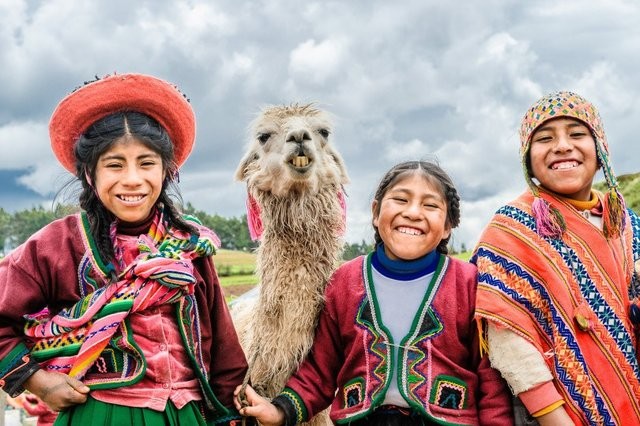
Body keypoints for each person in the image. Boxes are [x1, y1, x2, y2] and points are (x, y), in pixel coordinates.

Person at [0, 73, 248, 425]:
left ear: (166, 172)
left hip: (187, 414)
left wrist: (229, 414)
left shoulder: (189, 248)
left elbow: (224, 352)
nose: (132, 179)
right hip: (100, 413)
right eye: (114, 164)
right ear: (90, 173)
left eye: (146, 163)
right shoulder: (58, 245)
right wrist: (38, 382)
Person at [234, 160, 513, 425]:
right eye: (401, 200)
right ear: (376, 212)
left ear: (447, 228)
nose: (413, 212)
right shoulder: (345, 282)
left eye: (430, 205)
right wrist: (280, 410)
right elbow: (320, 371)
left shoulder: (467, 284)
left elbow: (489, 379)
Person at [472, 91, 640, 425]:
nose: (562, 146)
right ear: (528, 159)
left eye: (577, 134)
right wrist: (553, 417)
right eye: (545, 138)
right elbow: (509, 339)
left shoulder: (626, 223)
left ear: (600, 148)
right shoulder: (510, 231)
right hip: (552, 414)